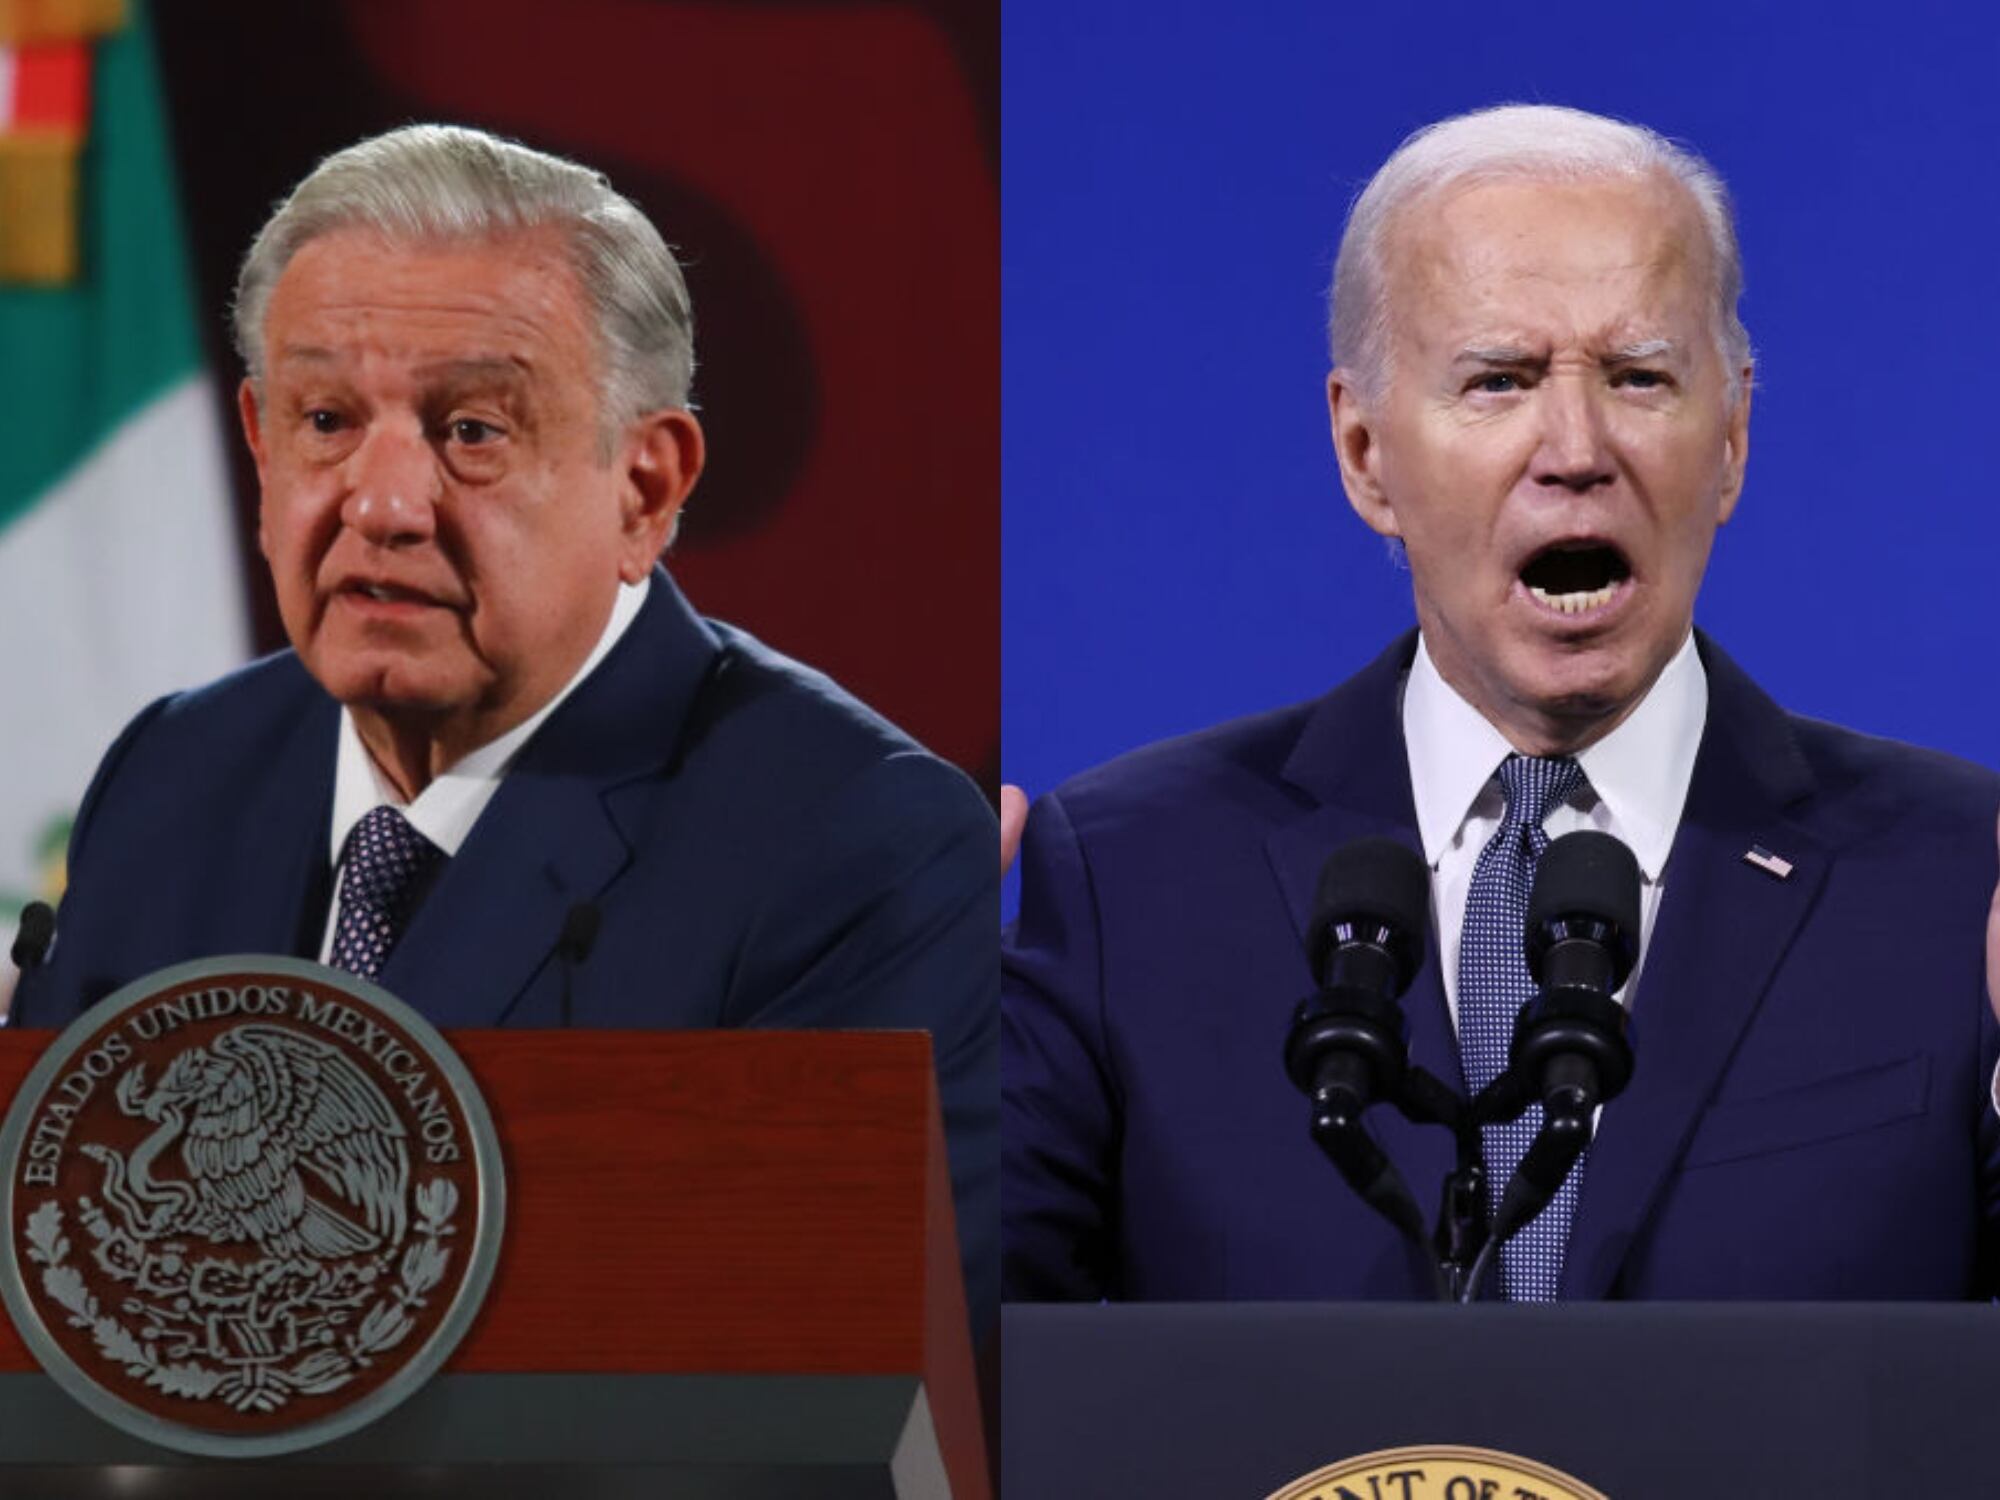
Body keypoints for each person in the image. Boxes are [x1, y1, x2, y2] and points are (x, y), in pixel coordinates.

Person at [1002, 104, 2000, 1303]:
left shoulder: (1956, 875)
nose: (1573, 446)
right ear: (1365, 453)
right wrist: (904, 1069)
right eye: (1498, 381)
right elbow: (968, 1385)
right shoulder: (1132, 874)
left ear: (1730, 433)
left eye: (1638, 377)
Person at [14, 124, 998, 1327]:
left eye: (471, 430)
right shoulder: (178, 771)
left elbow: (827, 1361)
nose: (380, 503)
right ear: (260, 445)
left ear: (647, 485)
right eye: (325, 421)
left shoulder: (849, 840)